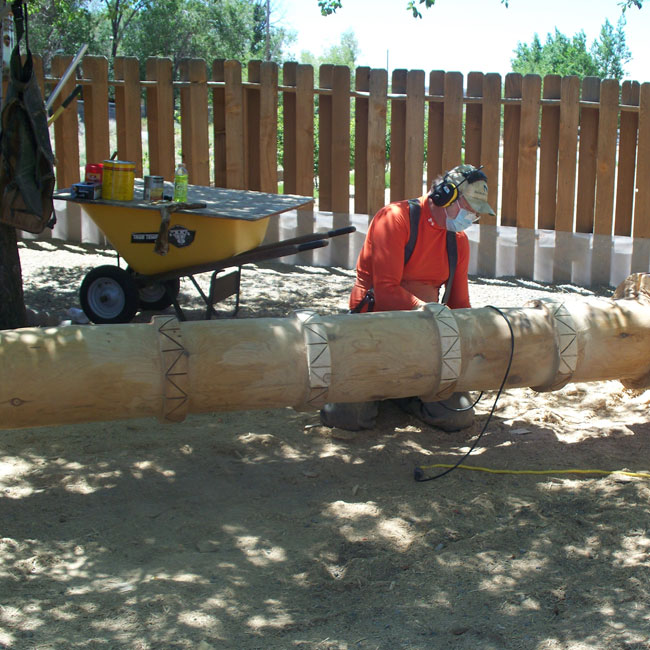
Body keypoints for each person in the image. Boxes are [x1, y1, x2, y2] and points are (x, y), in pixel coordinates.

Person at [320, 163, 496, 432]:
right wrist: (429, 311)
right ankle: (377, 387)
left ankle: (400, 394)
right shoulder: (395, 218)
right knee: (348, 418)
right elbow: (386, 291)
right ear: (444, 195)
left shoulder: (457, 241)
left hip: (424, 340)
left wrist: (476, 333)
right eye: (469, 206)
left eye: (476, 211)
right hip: (373, 333)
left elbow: (459, 303)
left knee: (457, 416)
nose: (471, 215)